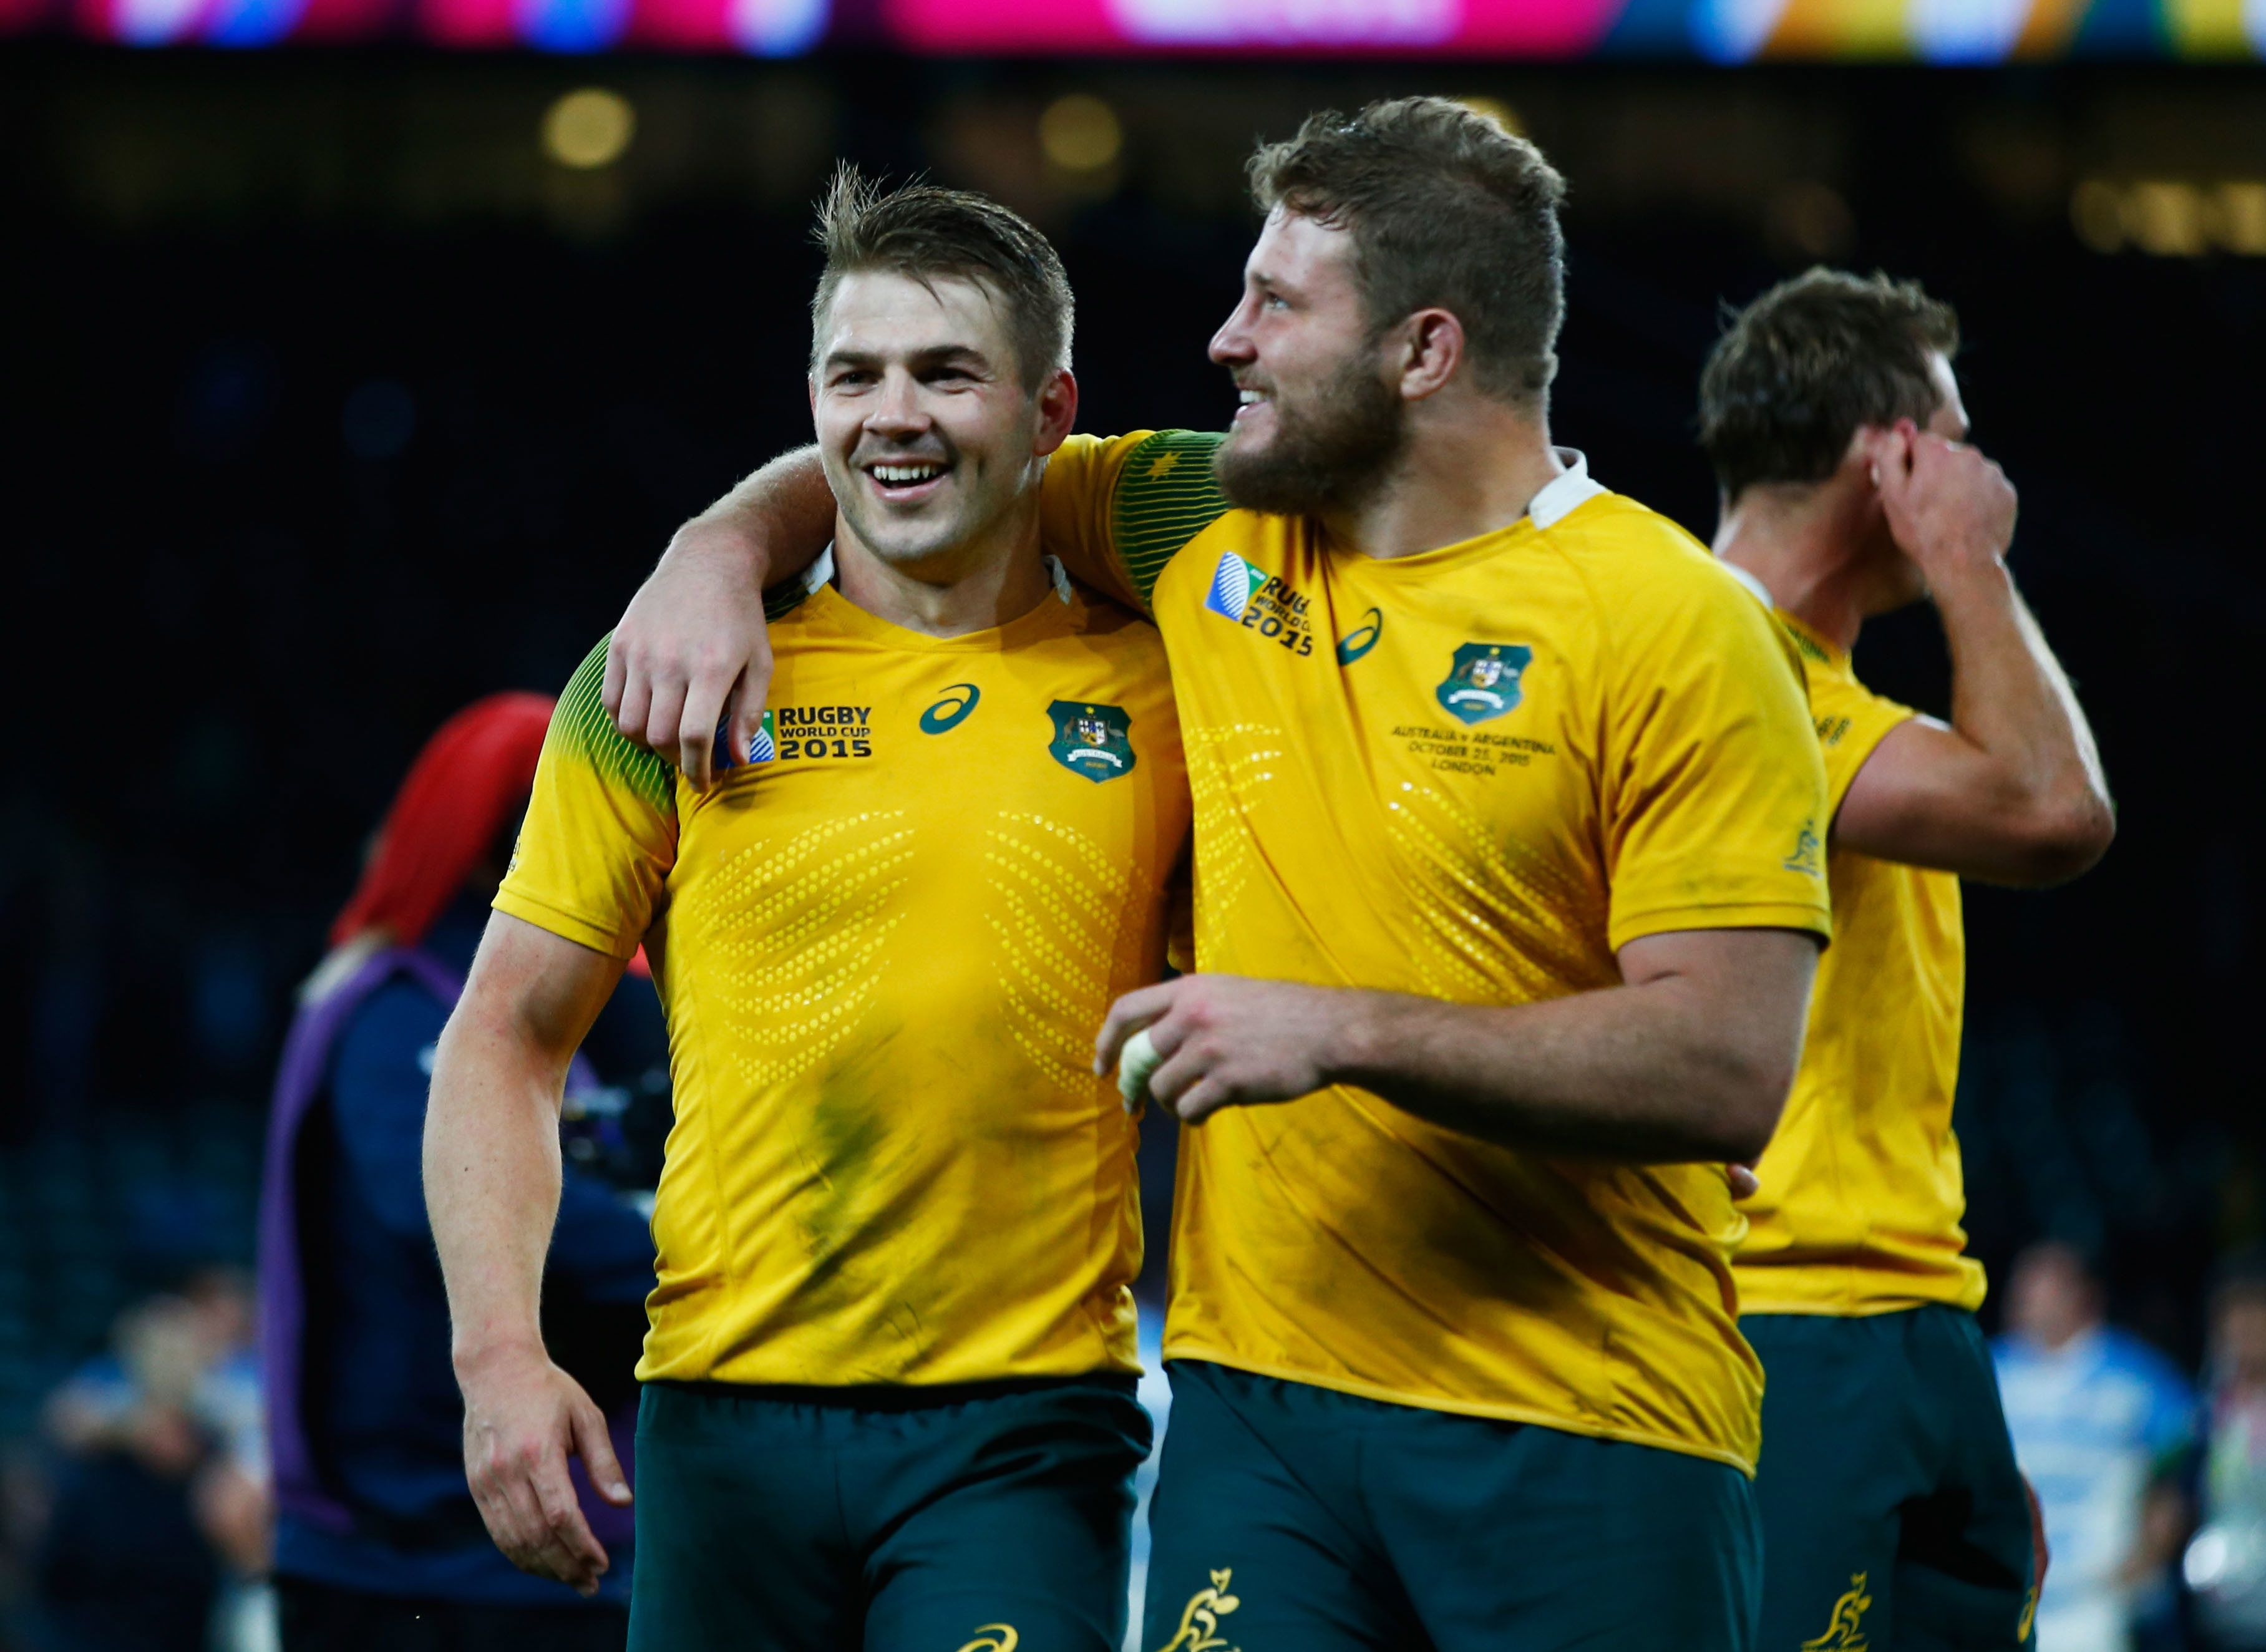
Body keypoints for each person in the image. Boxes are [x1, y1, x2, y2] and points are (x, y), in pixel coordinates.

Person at [603, 98, 1834, 1651]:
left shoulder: (1676, 624)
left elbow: (1725, 1066)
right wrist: (713, 549)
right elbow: (915, 456)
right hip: (1259, 1424)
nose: (1223, 340)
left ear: (1422, 350)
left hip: (1584, 1418)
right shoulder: (1206, 520)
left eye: (1275, 304)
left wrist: (1337, 1029)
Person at [423, 173, 1191, 1652]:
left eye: (947, 373)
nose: (893, 415)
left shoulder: (1165, 688)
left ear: (1049, 411)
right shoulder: (663, 679)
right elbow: (506, 1037)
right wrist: (498, 1357)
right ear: (813, 402)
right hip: (721, 1421)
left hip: (1027, 1429)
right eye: (855, 375)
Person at [1701, 268, 2116, 1651]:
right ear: (1887, 455)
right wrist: (1965, 561)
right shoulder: (1720, 667)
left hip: (1904, 1317)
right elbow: (2054, 811)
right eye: (1952, 439)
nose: (1980, 473)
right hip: (1787, 1315)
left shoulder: (1832, 701)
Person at [256, 693, 658, 1651]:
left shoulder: (548, 1005)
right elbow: (460, 1206)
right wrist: (720, 1249)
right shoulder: (399, 1008)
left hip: (509, 1549)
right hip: (420, 1558)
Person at [1993, 1242, 2194, 1652]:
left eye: (2043, 1286)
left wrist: (2149, 1555)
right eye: (2023, 1286)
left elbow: (2178, 1473)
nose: (2028, 1298)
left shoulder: (2136, 1376)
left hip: (2100, 1600)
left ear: (2083, 1294)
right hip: (2010, 1596)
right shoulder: (1990, 1369)